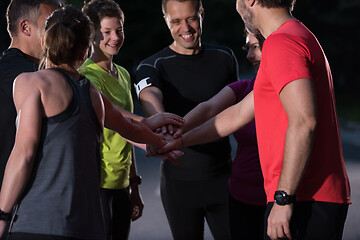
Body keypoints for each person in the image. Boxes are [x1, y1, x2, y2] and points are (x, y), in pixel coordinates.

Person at [159, 0, 351, 239]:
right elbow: (239, 113)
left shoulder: (283, 43)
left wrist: (283, 198)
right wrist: (179, 140)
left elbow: (304, 121)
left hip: (305, 197)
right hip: (303, 196)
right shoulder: (290, 37)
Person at [0, 5, 184, 240]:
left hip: (38, 223)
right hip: (86, 227)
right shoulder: (93, 94)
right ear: (87, 50)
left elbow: (24, 153)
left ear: (47, 41)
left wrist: (3, 216)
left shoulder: (29, 83)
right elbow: (132, 128)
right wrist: (162, 142)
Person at [134, 0, 239, 239]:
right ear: (166, 21)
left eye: (191, 18)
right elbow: (149, 94)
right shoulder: (153, 64)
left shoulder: (224, 57)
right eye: (176, 21)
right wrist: (160, 119)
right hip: (179, 185)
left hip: (226, 180)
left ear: (202, 14)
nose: (186, 28)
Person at [170, 31, 266, 239]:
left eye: (255, 47)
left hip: (273, 200)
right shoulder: (243, 88)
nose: (249, 55)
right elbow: (208, 109)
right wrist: (175, 135)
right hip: (240, 197)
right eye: (247, 48)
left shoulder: (287, 92)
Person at [79, 1, 142, 239]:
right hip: (98, 184)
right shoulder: (87, 75)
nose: (115, 37)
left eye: (119, 30)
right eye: (107, 32)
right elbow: (116, 115)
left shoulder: (124, 74)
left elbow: (128, 131)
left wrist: (134, 186)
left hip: (122, 184)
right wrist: (151, 128)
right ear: (92, 35)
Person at [0, 0, 62, 189]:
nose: (57, 36)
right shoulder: (26, 74)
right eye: (49, 27)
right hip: (17, 201)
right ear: (25, 27)